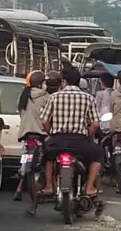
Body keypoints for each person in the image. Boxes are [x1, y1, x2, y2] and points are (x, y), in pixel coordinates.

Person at [37, 67, 103, 198]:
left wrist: (51, 133)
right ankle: (89, 187)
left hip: (57, 140)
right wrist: (87, 134)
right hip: (80, 141)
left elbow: (44, 121)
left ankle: (49, 186)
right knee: (98, 155)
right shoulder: (88, 98)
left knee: (47, 157)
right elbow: (96, 124)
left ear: (63, 81)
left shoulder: (53, 97)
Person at [16, 70, 48, 205]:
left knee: (25, 160)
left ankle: (19, 188)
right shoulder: (46, 97)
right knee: (47, 161)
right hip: (41, 135)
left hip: (26, 136)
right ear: (41, 84)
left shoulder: (23, 95)